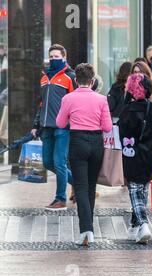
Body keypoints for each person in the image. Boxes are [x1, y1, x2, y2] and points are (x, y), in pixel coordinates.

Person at [56, 63, 112, 246]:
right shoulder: (102, 99)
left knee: (80, 187)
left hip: (77, 141)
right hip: (96, 143)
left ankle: (85, 230)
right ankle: (89, 230)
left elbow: (60, 122)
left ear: (75, 80)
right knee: (90, 186)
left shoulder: (68, 98)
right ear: (93, 80)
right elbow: (107, 127)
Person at [119, 73, 152, 244]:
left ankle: (143, 223)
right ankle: (134, 225)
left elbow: (122, 133)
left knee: (133, 189)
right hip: (149, 154)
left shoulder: (127, 110)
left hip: (131, 154)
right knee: (143, 188)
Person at [31, 44, 76, 211]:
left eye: (56, 56)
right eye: (51, 56)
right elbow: (41, 104)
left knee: (59, 163)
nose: (53, 59)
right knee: (48, 162)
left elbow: (75, 102)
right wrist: (36, 125)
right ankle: (81, 186)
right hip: (46, 128)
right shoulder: (44, 78)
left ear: (64, 57)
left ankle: (60, 199)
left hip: (63, 128)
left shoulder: (70, 77)